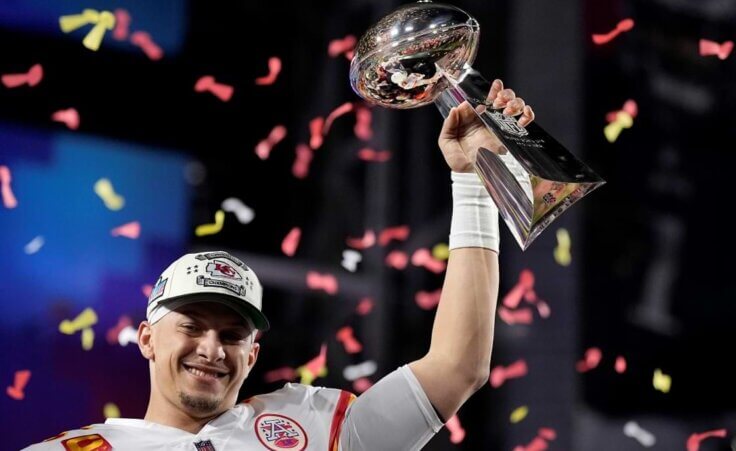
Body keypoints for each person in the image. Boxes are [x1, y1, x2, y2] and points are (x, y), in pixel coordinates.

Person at [23, 80, 534, 451]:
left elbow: (456, 367)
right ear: (147, 339)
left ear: (252, 355)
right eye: (192, 326)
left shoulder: (311, 424)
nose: (211, 349)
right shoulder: (80, 450)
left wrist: (472, 184)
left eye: (231, 335)